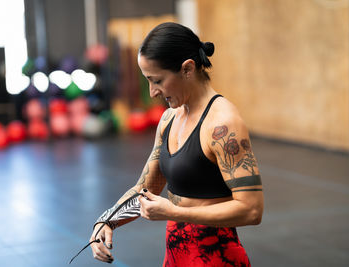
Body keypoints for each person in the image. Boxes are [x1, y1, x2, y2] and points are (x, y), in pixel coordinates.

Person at [90, 22, 264, 266]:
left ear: (187, 69)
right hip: (176, 256)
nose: (152, 92)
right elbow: (145, 188)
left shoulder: (223, 125)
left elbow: (252, 210)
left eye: (157, 81)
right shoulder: (169, 118)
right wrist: (106, 221)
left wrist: (174, 212)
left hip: (216, 258)